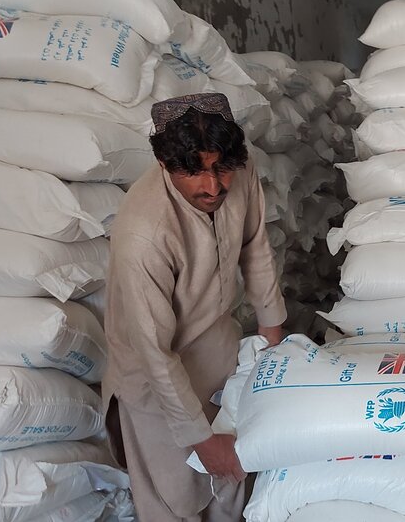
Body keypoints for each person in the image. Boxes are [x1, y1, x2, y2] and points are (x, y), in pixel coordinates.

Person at [103, 93, 286, 521]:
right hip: (153, 381)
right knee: (175, 502)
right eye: (195, 172)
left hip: (219, 351)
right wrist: (201, 439)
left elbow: (256, 245)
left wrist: (272, 342)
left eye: (221, 167)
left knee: (234, 489)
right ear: (166, 166)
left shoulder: (240, 169)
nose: (213, 186)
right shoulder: (144, 235)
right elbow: (153, 351)